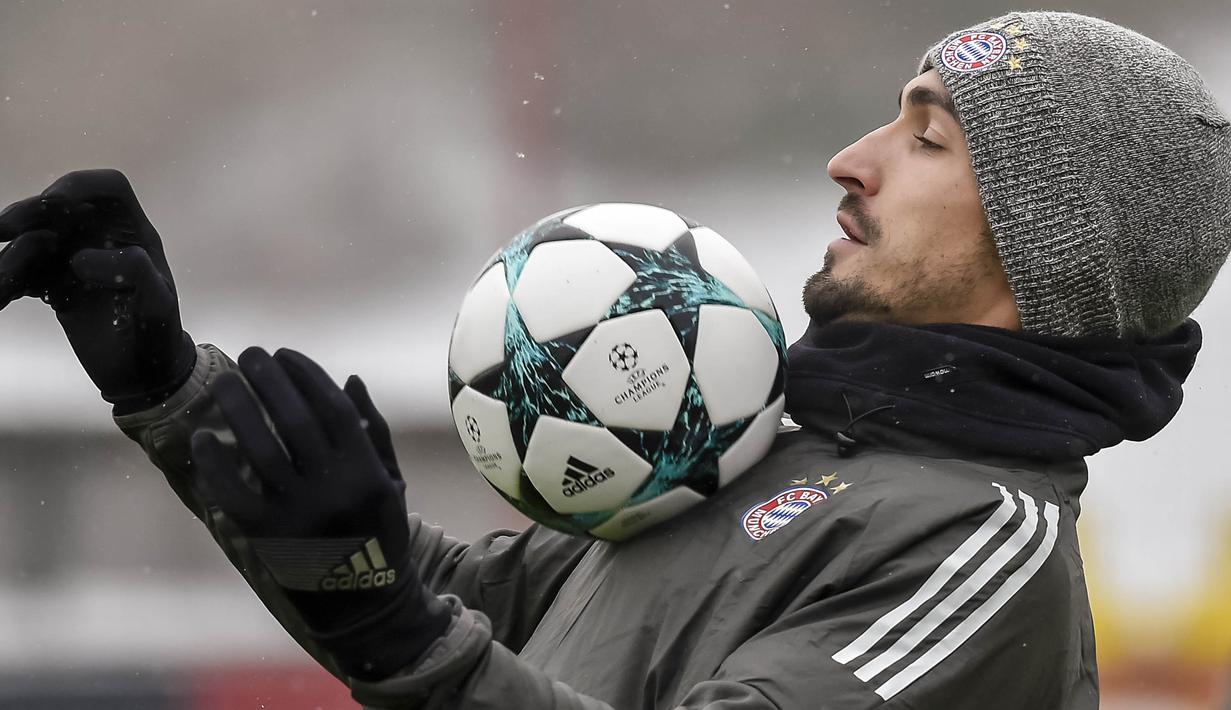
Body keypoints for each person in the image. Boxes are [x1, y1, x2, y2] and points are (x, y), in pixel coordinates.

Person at [1, 10, 1228, 709]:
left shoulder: (980, 545)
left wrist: (392, 629)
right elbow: (464, 615)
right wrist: (171, 385)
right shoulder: (771, 446)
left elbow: (423, 645)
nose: (851, 159)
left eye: (927, 139)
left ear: (1046, 241)